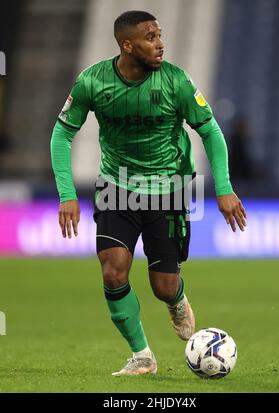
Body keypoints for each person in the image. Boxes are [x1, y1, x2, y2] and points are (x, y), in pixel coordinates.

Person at [50, 10, 247, 376]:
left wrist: (224, 188)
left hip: (168, 189)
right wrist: (66, 194)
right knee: (113, 271)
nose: (161, 44)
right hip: (116, 186)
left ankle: (175, 299)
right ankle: (142, 355)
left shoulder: (176, 82)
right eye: (151, 37)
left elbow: (211, 132)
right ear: (127, 45)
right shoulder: (92, 82)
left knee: (163, 285)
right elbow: (62, 134)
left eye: (160, 35)